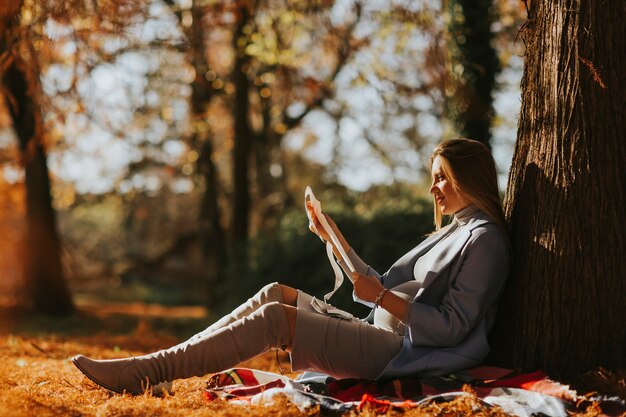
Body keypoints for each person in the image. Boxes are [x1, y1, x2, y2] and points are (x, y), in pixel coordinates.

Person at [72, 138, 510, 395]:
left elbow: (452, 327)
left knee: (277, 320)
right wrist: (334, 240)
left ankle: (151, 372)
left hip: (405, 355)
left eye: (443, 176)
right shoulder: (454, 229)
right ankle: (161, 364)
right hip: (382, 332)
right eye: (433, 176)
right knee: (275, 292)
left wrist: (380, 298)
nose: (433, 187)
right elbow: (374, 285)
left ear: (470, 178)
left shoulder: (486, 240)